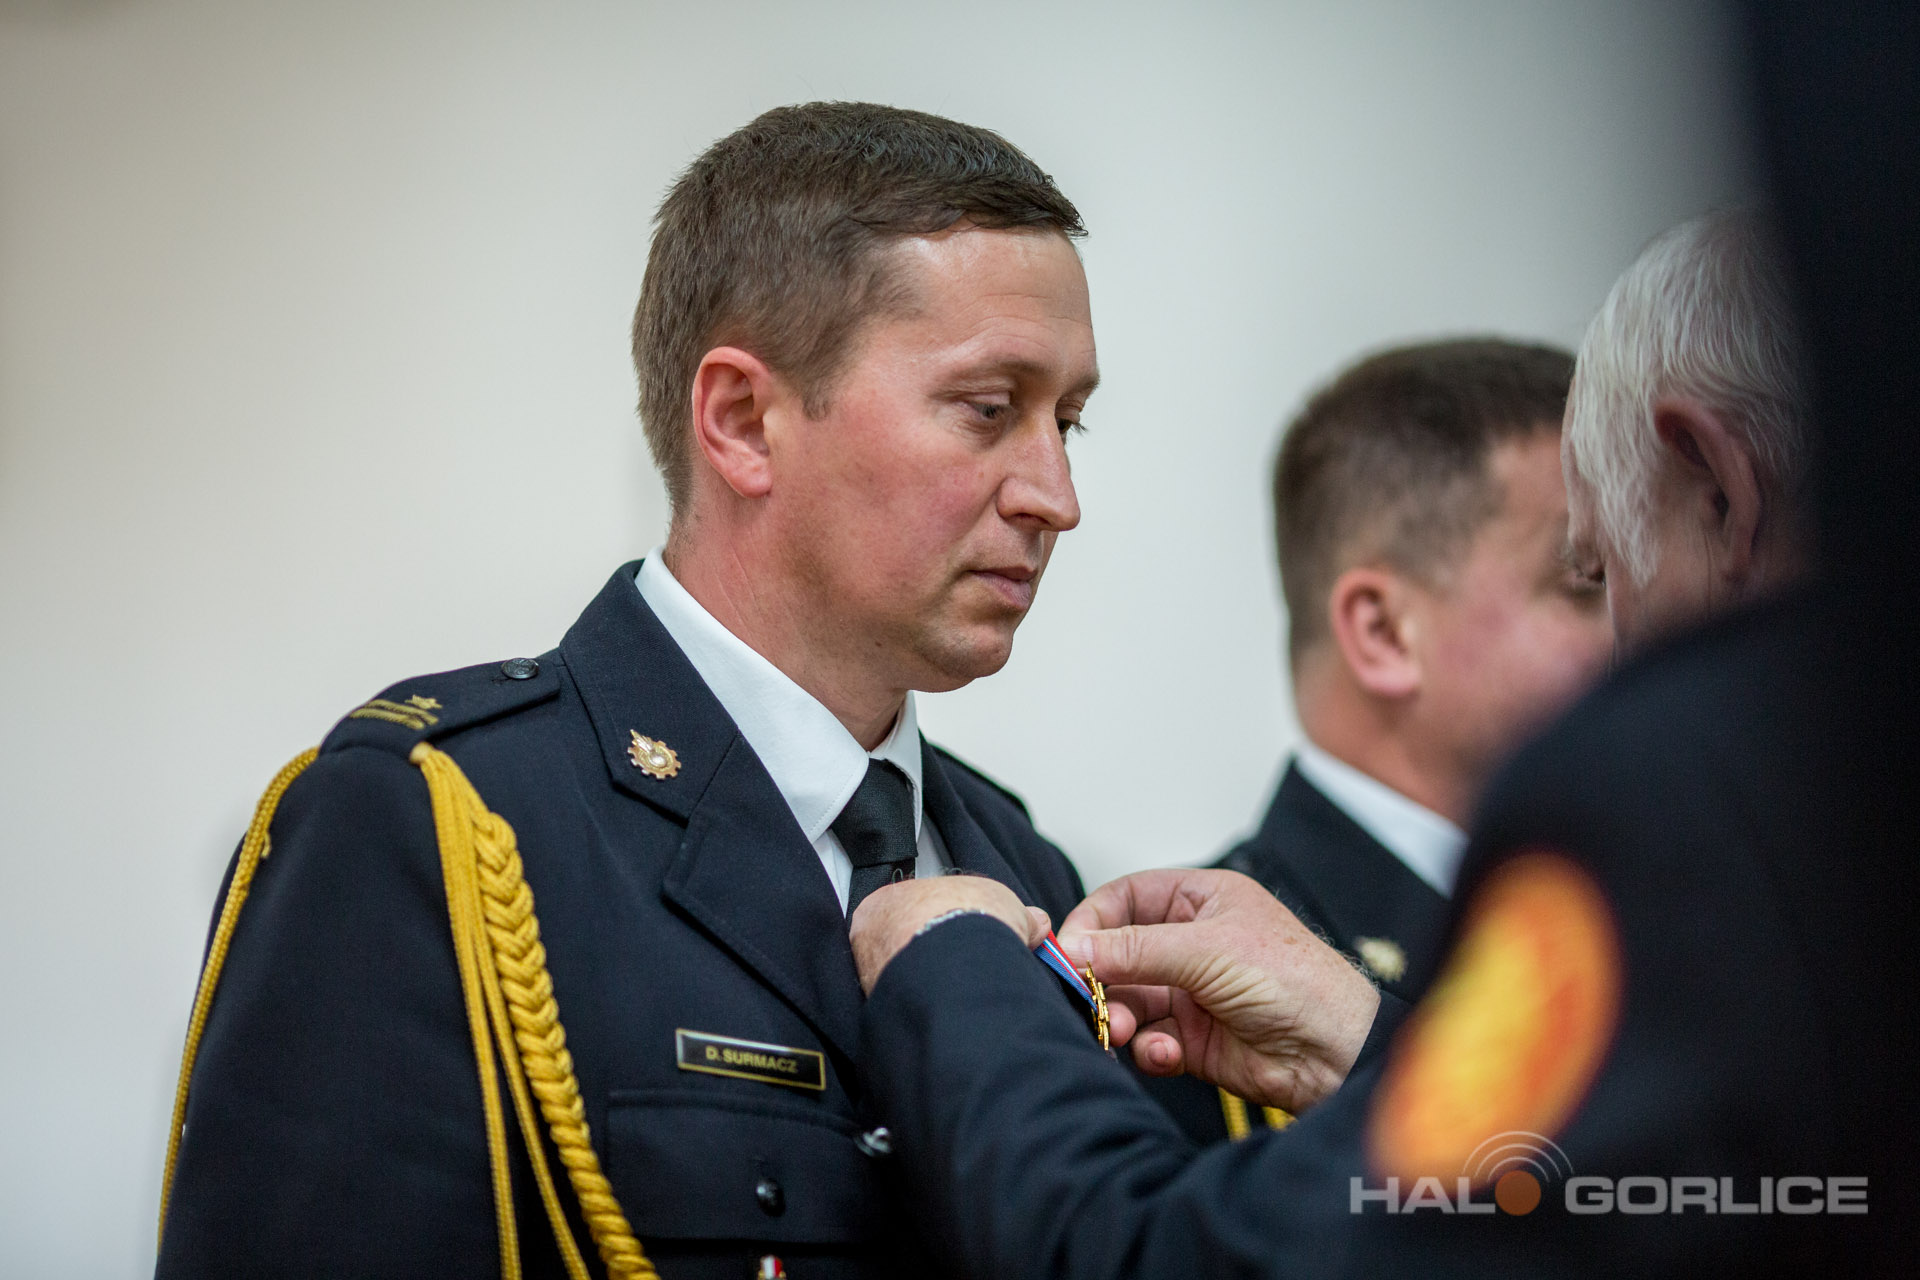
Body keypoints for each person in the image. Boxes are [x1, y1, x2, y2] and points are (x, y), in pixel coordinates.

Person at [847, 201, 1908, 1276]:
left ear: (1722, 495)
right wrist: (1375, 1039)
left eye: (1605, 573)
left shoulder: (1688, 832)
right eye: (1578, 582)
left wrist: (959, 975)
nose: (1620, 641)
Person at [156, 102, 1100, 1279]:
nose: (1057, 496)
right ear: (742, 421)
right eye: (990, 409)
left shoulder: (1021, 866)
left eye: (1068, 421)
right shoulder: (439, 828)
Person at [1150, 339, 1612, 1145]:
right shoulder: (1188, 1001)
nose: (1637, 626)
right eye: (1586, 583)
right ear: (1385, 632)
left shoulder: (1622, 913)